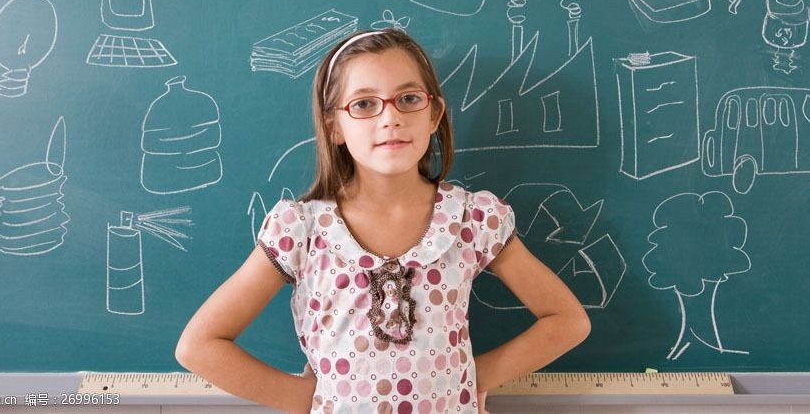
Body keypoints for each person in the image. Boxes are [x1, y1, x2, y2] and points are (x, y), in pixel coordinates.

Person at [175, 29, 591, 413]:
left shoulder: (473, 220)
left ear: (434, 115)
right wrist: (304, 397)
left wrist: (471, 378)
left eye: (409, 98)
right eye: (364, 104)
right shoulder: (302, 231)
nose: (389, 117)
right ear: (334, 125)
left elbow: (567, 320)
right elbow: (199, 345)